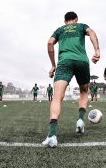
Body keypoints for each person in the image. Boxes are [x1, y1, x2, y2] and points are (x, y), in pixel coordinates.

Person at [42, 11, 100, 147]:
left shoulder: (60, 30)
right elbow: (91, 32)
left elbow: (50, 43)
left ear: (65, 21)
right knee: (84, 92)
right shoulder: (81, 26)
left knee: (57, 97)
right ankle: (80, 120)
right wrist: (97, 51)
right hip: (82, 62)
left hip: (64, 62)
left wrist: (53, 65)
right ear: (76, 19)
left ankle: (52, 135)